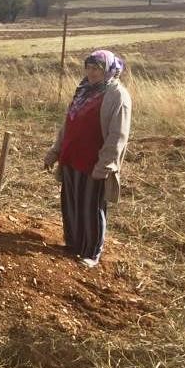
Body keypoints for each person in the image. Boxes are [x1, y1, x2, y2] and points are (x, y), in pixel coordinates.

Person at [43, 50, 132, 268]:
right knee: (71, 202)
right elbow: (68, 124)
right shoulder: (83, 90)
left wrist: (106, 165)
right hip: (72, 157)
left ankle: (91, 252)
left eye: (97, 69)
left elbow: (118, 135)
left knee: (90, 207)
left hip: (94, 162)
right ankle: (74, 244)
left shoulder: (117, 95)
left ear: (109, 70)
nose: (92, 73)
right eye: (89, 68)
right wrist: (55, 151)